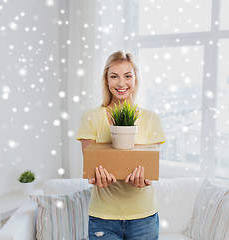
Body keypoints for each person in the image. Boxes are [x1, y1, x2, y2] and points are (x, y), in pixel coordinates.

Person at [76, 50, 166, 240]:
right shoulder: (91, 117)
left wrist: (144, 180)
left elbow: (152, 169)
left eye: (127, 76)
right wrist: (98, 178)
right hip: (103, 217)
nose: (121, 83)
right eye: (114, 76)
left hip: (144, 217)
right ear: (106, 80)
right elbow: (90, 166)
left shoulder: (151, 119)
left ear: (135, 79)